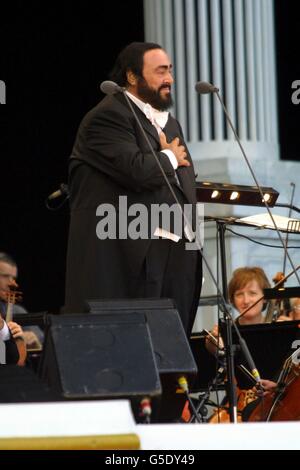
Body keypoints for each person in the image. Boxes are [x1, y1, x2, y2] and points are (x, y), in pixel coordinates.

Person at [65, 42, 202, 335]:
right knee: (142, 344)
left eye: (170, 70)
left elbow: (186, 176)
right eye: (161, 71)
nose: (170, 79)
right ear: (132, 76)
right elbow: (137, 171)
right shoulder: (108, 116)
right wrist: (168, 157)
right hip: (138, 249)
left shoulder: (168, 122)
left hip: (179, 246)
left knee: (173, 341)